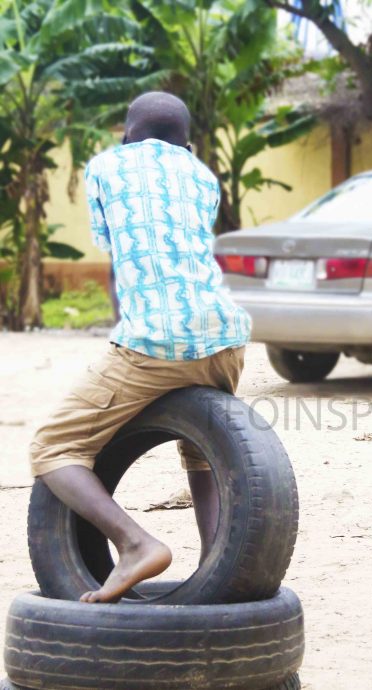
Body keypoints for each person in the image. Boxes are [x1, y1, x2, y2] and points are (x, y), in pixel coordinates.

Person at [28, 92, 252, 603]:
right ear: (188, 143)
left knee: (51, 447)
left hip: (155, 339)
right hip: (226, 335)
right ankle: (219, 571)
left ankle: (134, 544)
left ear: (126, 135)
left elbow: (117, 254)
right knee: (200, 450)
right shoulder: (201, 175)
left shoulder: (106, 166)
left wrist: (123, 329)